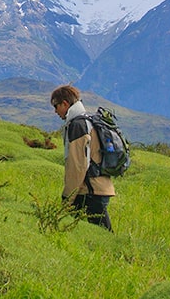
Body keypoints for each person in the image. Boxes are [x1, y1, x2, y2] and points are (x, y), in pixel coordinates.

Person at [50, 84, 115, 231]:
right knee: (82, 232)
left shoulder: (78, 125)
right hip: (97, 187)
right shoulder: (86, 120)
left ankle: (120, 253)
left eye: (56, 106)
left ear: (65, 104)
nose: (55, 111)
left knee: (103, 236)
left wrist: (68, 197)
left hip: (90, 190)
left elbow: (78, 165)